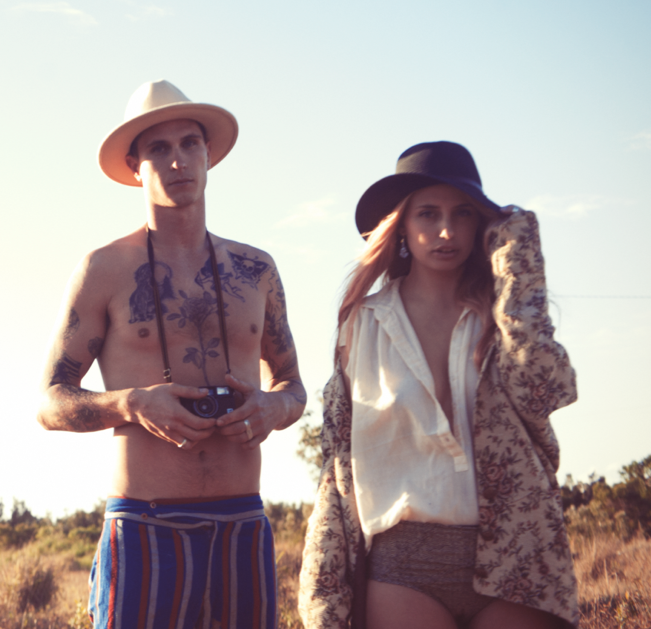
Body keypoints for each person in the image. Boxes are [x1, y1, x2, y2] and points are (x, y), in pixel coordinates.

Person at [38, 80, 308, 629]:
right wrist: (133, 404)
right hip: (145, 525)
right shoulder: (104, 270)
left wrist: (273, 409)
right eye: (158, 148)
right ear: (135, 165)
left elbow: (293, 385)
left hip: (242, 521)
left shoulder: (256, 269)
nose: (177, 160)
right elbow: (50, 401)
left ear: (209, 156)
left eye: (190, 143)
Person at [298, 141, 579, 629]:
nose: (446, 231)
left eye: (463, 214)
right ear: (401, 224)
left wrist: (519, 274)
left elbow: (545, 391)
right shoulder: (362, 324)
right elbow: (337, 460)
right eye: (428, 214)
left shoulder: (502, 317)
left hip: (516, 550)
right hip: (405, 563)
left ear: (482, 224)